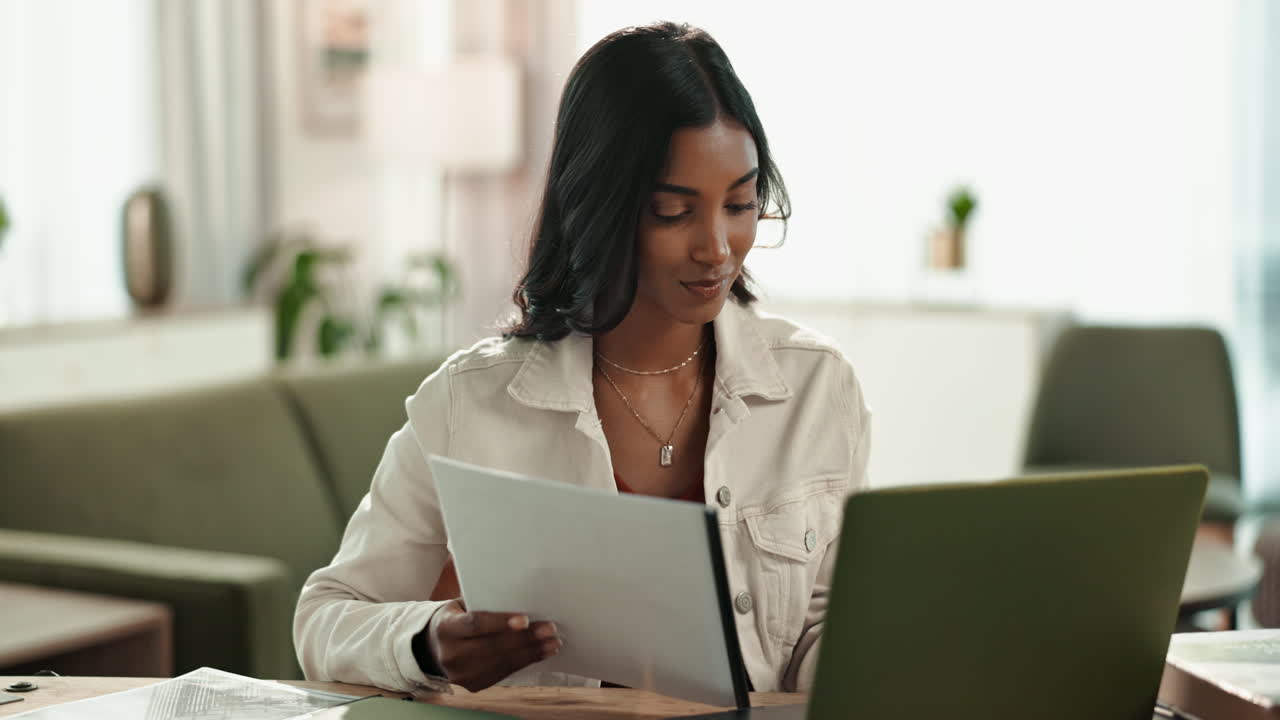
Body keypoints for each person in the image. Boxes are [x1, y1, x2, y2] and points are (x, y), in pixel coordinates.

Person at [293, 21, 870, 696]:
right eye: (672, 212)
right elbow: (325, 618)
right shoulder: (468, 404)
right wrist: (428, 644)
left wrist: (875, 655)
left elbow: (822, 628)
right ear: (598, 205)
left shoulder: (816, 387)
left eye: (740, 204)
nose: (717, 247)